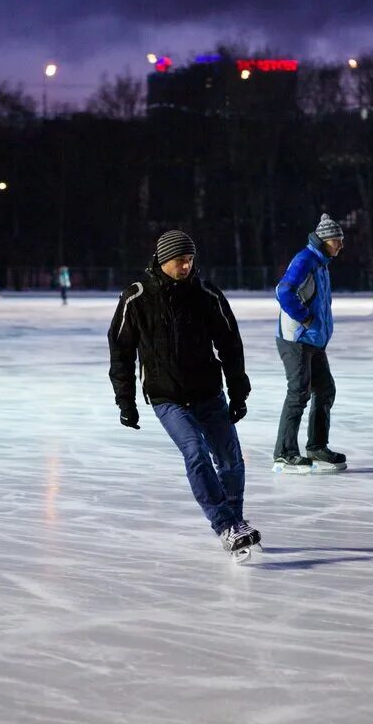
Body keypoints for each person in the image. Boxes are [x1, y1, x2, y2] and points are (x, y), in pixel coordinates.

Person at [107, 230, 258, 557]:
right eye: (180, 260)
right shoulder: (136, 297)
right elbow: (121, 352)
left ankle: (235, 520)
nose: (187, 266)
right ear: (163, 260)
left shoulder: (207, 294)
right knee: (195, 452)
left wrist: (238, 392)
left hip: (208, 393)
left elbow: (230, 344)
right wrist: (126, 401)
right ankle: (224, 523)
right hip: (168, 398)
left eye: (190, 260)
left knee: (230, 459)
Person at [273, 213, 347, 474]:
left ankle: (316, 447)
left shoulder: (322, 262)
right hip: (296, 340)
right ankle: (284, 454)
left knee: (325, 390)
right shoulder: (305, 260)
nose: (341, 244)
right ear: (325, 240)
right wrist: (304, 317)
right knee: (299, 393)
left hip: (314, 341)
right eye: (337, 240)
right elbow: (283, 291)